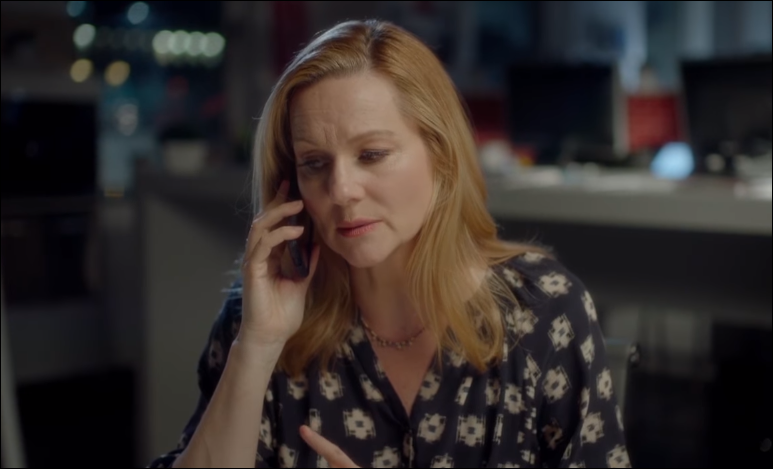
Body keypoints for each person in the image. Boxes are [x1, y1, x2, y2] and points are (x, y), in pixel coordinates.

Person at [149, 19, 630, 469]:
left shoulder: (545, 312)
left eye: (372, 154)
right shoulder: (256, 316)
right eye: (314, 163)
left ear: (440, 155)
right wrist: (257, 346)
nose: (341, 190)